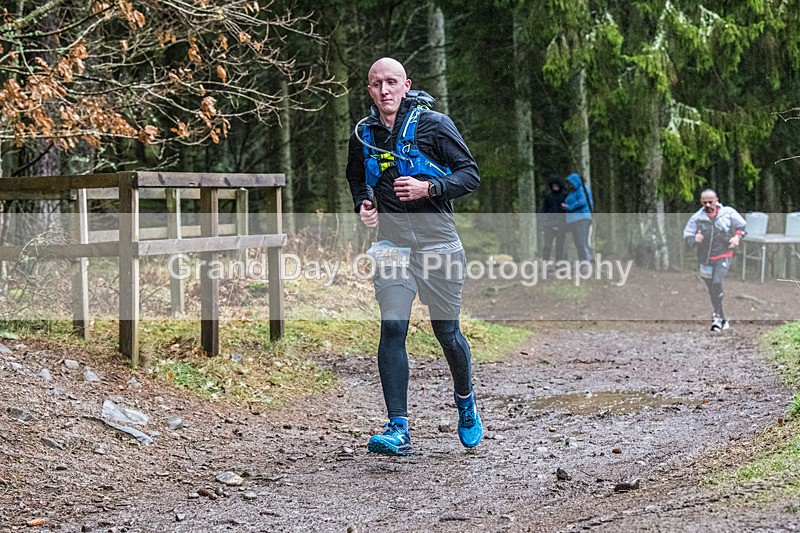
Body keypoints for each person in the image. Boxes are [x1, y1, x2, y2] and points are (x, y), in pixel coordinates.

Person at [345, 57, 483, 456]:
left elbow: (470, 174)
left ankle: (465, 401)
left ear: (406, 85)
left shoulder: (435, 125)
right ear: (369, 90)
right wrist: (363, 202)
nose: (384, 90)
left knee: (447, 333)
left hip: (439, 245)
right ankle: (398, 427)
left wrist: (429, 189)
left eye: (391, 82)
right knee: (392, 327)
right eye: (376, 84)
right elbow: (355, 176)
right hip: (392, 246)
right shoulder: (363, 133)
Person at [683, 189, 746, 331]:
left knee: (717, 282)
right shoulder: (696, 218)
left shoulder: (728, 213)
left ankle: (717, 317)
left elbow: (742, 226)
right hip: (705, 258)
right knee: (712, 288)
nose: (707, 205)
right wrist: (695, 239)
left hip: (724, 254)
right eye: (704, 202)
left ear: (716, 200)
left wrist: (737, 237)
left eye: (710, 202)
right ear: (701, 202)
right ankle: (721, 318)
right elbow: (687, 237)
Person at [562, 173, 594, 263]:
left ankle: (588, 260)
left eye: (571, 183)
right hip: (574, 220)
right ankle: (583, 262)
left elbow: (582, 202)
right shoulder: (573, 192)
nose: (570, 185)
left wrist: (569, 207)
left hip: (582, 218)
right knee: (578, 243)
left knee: (582, 241)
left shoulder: (581, 189)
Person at [539, 174, 566, 262]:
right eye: (553, 185)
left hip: (561, 224)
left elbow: (569, 210)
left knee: (560, 246)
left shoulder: (564, 196)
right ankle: (545, 263)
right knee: (547, 246)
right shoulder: (548, 196)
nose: (555, 187)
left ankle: (559, 264)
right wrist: (542, 224)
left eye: (557, 185)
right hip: (549, 225)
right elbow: (543, 210)